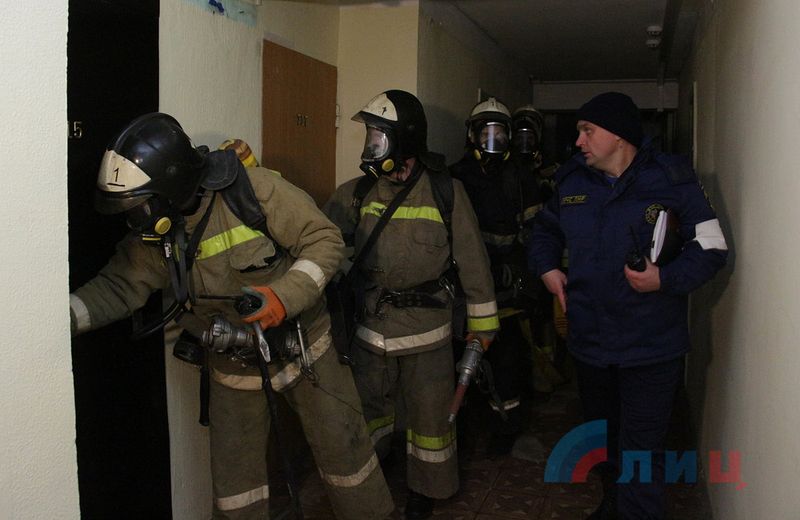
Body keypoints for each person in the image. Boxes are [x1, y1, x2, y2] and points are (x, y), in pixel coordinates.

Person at [69, 113, 394, 520]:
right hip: (233, 362)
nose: (136, 220)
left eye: (140, 207)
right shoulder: (156, 232)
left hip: (305, 347)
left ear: (171, 186)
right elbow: (119, 285)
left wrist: (284, 297)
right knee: (236, 489)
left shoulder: (255, 191)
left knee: (346, 453)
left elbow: (324, 240)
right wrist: (61, 319)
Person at [528, 92, 728, 520]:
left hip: (650, 346)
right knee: (604, 439)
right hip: (590, 343)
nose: (578, 141)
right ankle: (614, 503)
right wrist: (547, 268)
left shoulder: (671, 179)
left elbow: (712, 247)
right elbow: (544, 231)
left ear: (618, 135)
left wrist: (664, 279)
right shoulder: (572, 182)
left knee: (641, 449)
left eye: (587, 131)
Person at [323, 90, 499, 519]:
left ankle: (426, 488)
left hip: (428, 329)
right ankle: (374, 477)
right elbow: (321, 247)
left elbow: (473, 262)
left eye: (378, 136)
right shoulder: (355, 193)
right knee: (370, 411)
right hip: (370, 328)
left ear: (404, 139)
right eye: (370, 135)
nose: (371, 145)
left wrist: (483, 327)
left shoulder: (446, 192)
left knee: (430, 418)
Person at [449, 98, 544, 455]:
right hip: (464, 291)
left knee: (506, 363)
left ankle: (505, 429)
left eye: (500, 134)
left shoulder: (521, 178)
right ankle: (463, 430)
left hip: (506, 292)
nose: (493, 141)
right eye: (485, 133)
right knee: (460, 361)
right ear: (471, 135)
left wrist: (517, 271)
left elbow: (536, 234)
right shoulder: (455, 178)